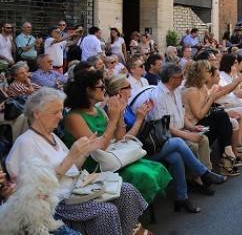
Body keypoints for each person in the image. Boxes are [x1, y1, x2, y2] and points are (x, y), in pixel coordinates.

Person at [6, 88, 148, 235]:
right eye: (55, 112)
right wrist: (71, 156)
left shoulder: (52, 137)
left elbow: (72, 169)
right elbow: (37, 192)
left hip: (77, 190)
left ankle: (125, 232)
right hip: (59, 203)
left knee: (127, 191)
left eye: (61, 111)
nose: (61, 116)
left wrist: (85, 152)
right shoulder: (26, 143)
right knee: (107, 211)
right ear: (37, 114)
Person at [63, 71, 171, 203]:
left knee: (155, 167)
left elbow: (120, 137)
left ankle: (136, 210)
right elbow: (97, 148)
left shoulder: (98, 110)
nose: (105, 90)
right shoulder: (73, 117)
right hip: (94, 165)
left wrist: (119, 113)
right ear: (88, 91)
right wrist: (114, 119)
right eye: (101, 87)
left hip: (112, 156)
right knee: (144, 174)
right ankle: (134, 214)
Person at [147, 64, 227, 203]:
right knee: (192, 145)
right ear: (172, 79)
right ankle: (202, 176)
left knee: (202, 139)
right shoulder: (158, 96)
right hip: (166, 138)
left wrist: (191, 128)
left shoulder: (176, 91)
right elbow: (164, 129)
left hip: (178, 132)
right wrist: (188, 135)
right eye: (180, 77)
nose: (183, 79)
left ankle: (199, 181)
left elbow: (181, 115)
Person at [182, 60, 242, 176]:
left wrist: (236, 82)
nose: (210, 73)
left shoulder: (203, 88)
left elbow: (207, 108)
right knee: (222, 118)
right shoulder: (192, 91)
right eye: (208, 71)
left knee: (222, 115)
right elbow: (199, 115)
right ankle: (227, 157)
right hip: (192, 126)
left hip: (201, 122)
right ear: (200, 73)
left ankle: (227, 152)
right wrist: (211, 98)